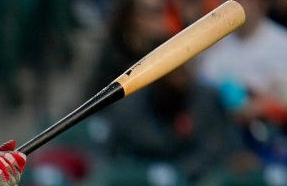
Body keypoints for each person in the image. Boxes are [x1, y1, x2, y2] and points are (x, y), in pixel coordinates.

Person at [195, 0, 287, 166]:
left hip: (271, 138)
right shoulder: (211, 45)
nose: (235, 4)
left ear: (263, 2)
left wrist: (254, 106)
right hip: (220, 137)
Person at [102, 61, 250, 179]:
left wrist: (178, 173)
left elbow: (214, 147)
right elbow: (114, 152)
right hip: (139, 180)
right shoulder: (131, 104)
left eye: (182, 71)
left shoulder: (206, 99)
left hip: (195, 179)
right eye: (172, 73)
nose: (179, 80)